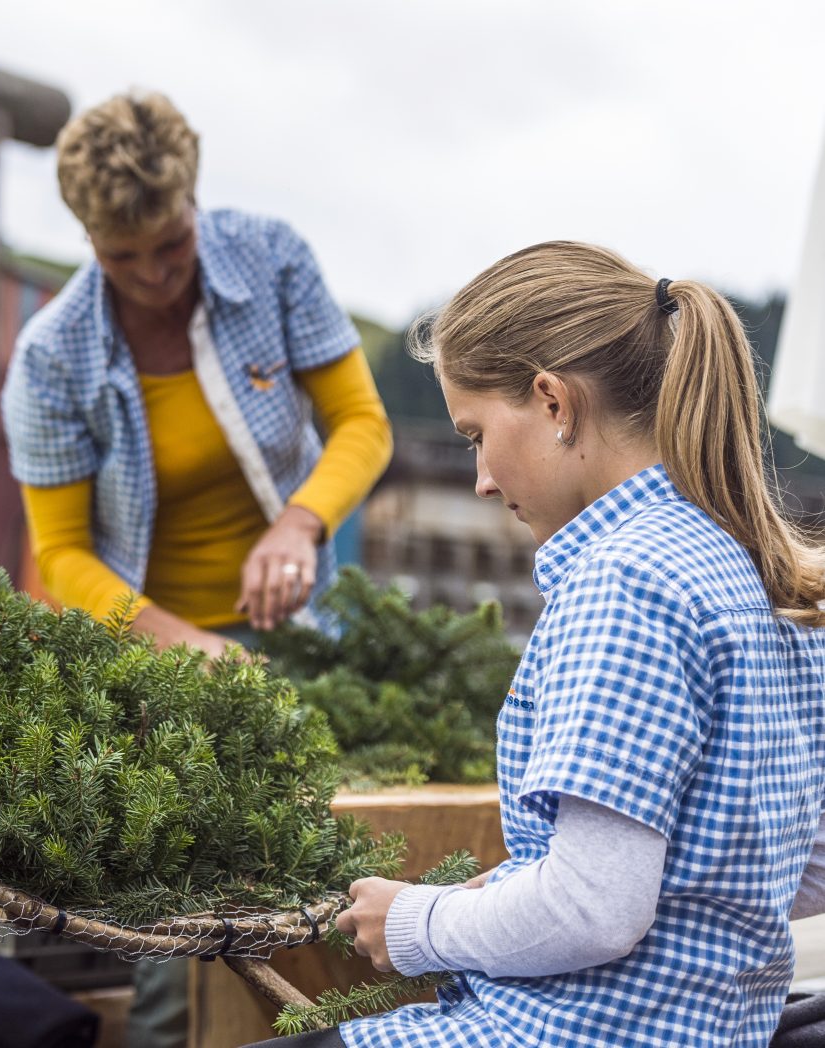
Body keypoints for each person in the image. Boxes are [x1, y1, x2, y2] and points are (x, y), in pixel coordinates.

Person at [249, 242, 825, 1048]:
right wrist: (523, 884)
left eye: (475, 433)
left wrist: (418, 919)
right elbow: (799, 871)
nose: (481, 477)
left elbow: (593, 910)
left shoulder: (625, 581)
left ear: (553, 403)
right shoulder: (747, 570)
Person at [1, 90, 392, 656]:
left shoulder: (273, 260)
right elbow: (61, 553)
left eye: (171, 243)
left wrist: (299, 525)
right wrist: (185, 646)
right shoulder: (50, 357)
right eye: (122, 256)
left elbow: (362, 422)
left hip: (307, 625)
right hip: (151, 651)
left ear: (193, 195)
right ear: (88, 237)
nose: (154, 275)